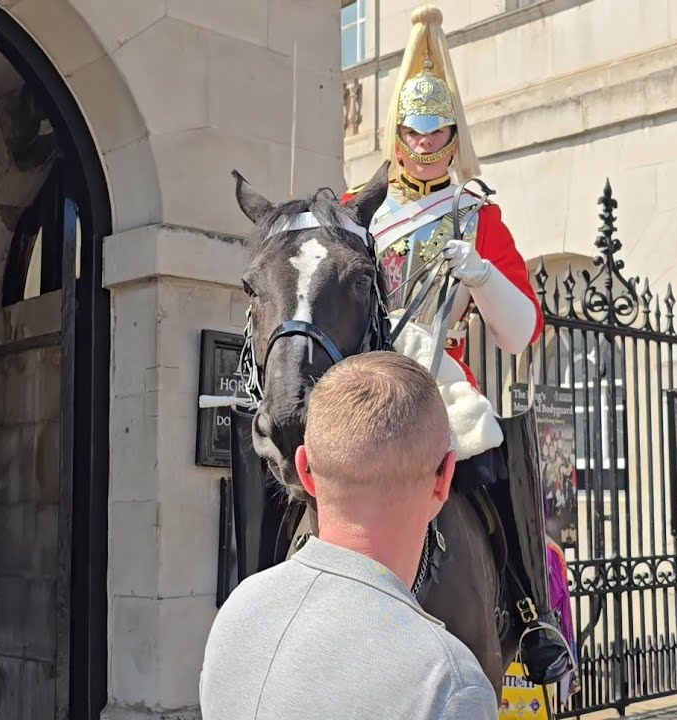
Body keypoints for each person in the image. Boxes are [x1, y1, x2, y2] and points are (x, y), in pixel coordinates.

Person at [339, 4, 573, 687]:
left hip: (442, 379)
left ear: (453, 133)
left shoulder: (476, 214)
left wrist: (483, 272)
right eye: (417, 131)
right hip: (365, 373)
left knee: (490, 455)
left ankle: (531, 615)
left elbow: (522, 329)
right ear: (398, 134)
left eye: (441, 131)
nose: (429, 143)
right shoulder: (362, 206)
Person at [200, 352, 498, 719]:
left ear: (305, 471)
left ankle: (534, 616)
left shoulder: (236, 612)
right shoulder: (449, 684)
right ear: (444, 479)